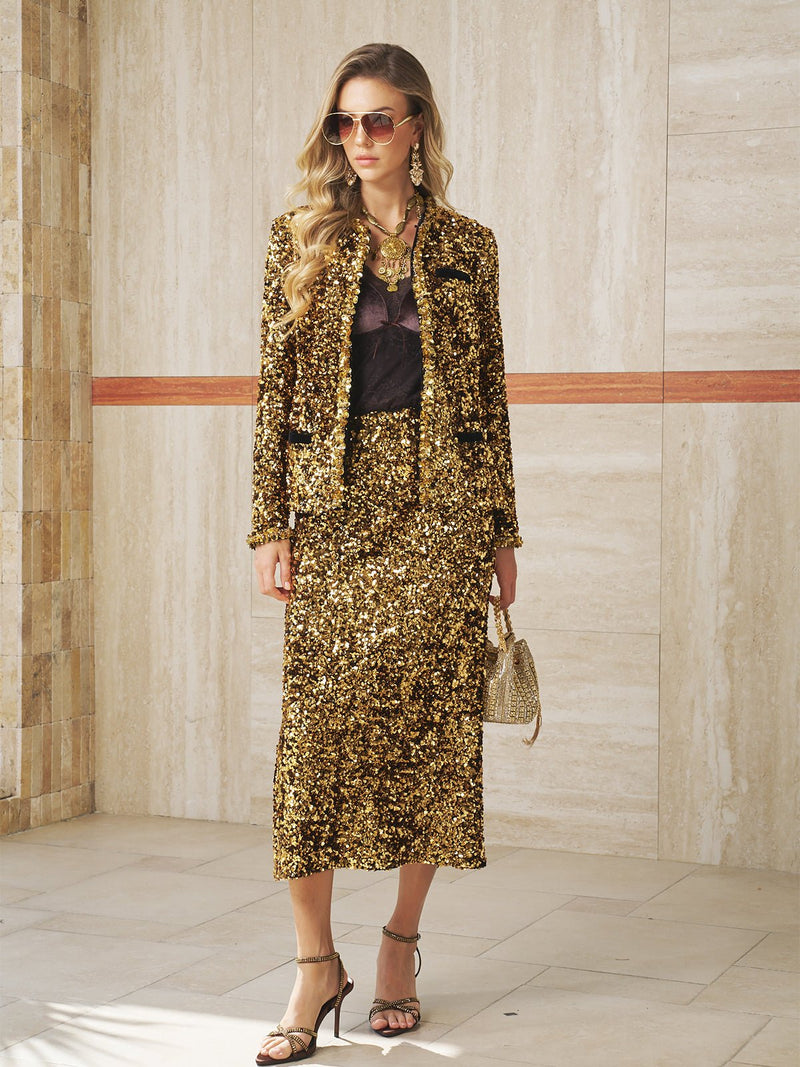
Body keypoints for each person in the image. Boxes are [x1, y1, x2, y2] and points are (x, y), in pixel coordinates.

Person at [247, 42, 522, 1065]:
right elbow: (271, 395)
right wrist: (269, 524)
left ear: (415, 127)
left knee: (432, 730)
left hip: (442, 513)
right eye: (343, 123)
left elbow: (488, 396)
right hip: (334, 513)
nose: (357, 139)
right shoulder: (298, 240)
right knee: (312, 740)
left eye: (377, 120)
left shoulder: (468, 246)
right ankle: (315, 963)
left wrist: (500, 529)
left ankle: (399, 941)